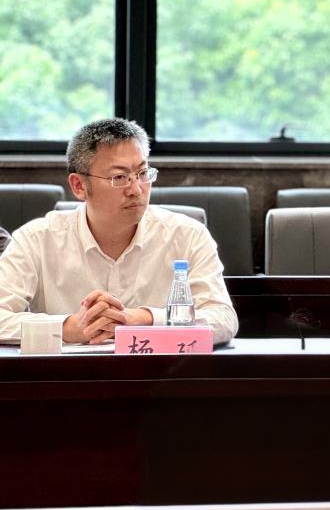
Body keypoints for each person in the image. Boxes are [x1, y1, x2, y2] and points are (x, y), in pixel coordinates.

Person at [0, 118, 238, 345]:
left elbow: (223, 318)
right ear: (79, 186)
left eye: (142, 174)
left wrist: (146, 319)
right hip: (67, 372)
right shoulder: (35, 240)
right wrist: (67, 328)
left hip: (161, 371)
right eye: (119, 177)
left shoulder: (188, 235)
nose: (136, 189)